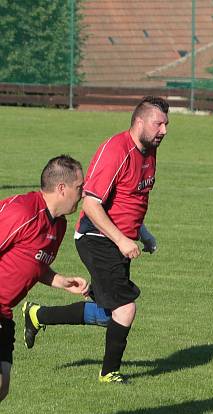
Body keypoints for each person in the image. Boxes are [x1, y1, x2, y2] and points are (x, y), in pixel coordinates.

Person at [23, 96, 168, 384]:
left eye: (166, 124)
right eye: (158, 123)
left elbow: (130, 200)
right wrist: (122, 241)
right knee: (125, 309)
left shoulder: (149, 151)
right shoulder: (116, 150)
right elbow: (90, 203)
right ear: (139, 121)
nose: (163, 130)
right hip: (96, 236)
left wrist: (142, 233)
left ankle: (38, 315)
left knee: (108, 314)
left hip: (117, 239)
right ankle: (108, 373)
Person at [0, 155, 89, 403]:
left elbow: (34, 265)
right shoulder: (22, 211)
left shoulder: (57, 226)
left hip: (5, 311)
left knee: (2, 386)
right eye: (79, 187)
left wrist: (61, 281)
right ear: (62, 188)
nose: (82, 194)